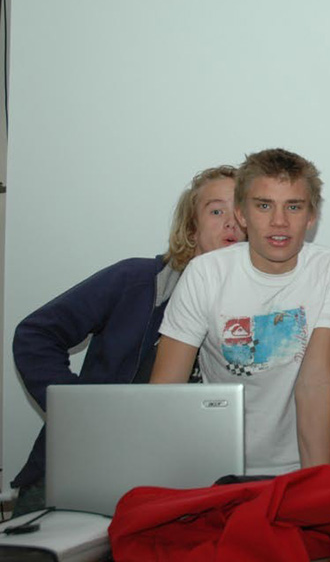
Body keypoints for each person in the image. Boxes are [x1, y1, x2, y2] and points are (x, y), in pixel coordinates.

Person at [11, 165, 245, 516]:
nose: (231, 223)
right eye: (216, 211)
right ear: (191, 229)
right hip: (84, 469)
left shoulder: (258, 308)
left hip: (187, 481)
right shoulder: (135, 280)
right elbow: (36, 334)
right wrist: (78, 411)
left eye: (240, 212)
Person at [151, 148, 330, 475]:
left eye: (294, 206)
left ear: (311, 216)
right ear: (242, 214)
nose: (279, 221)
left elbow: (316, 381)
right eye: (264, 206)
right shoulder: (205, 272)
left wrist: (315, 483)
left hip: (295, 466)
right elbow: (166, 390)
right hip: (215, 467)